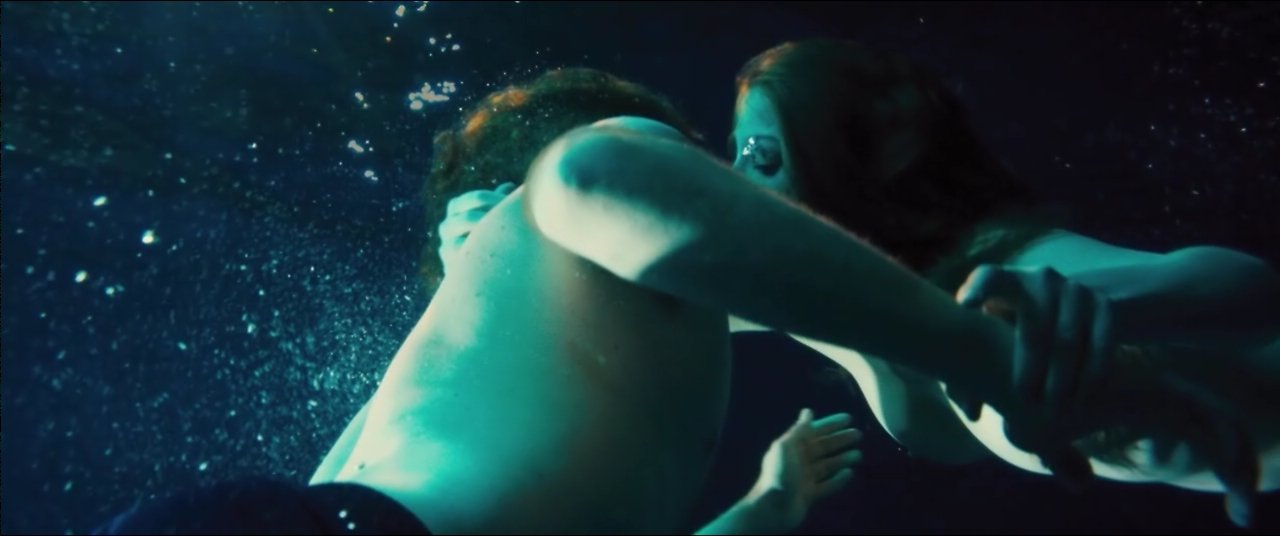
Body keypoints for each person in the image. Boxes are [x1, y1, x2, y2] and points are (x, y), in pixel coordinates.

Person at [433, 42, 1279, 528]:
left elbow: (1238, 286)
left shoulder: (990, 268)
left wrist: (1114, 303)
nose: (730, 184)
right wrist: (497, 249)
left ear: (856, 160)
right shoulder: (841, 309)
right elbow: (640, 277)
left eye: (761, 157)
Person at [93, 68, 866, 536]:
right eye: (724, 160)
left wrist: (771, 504)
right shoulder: (615, 164)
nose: (727, 179)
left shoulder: (410, 414)